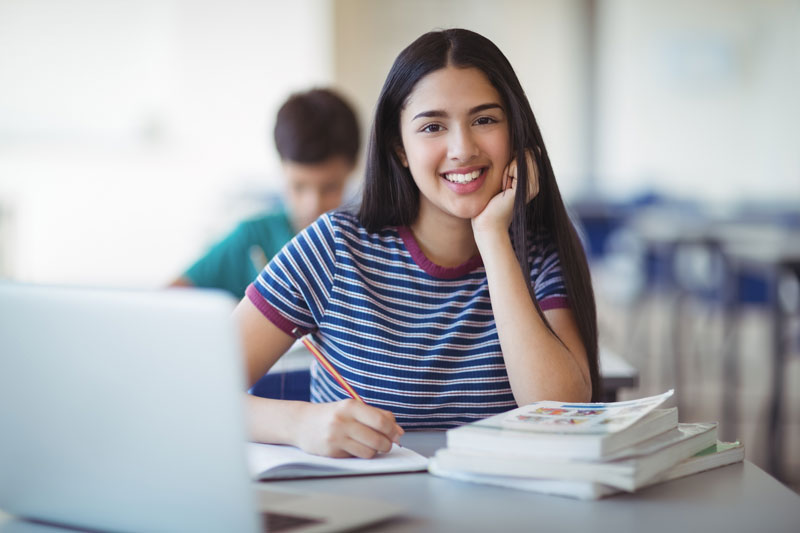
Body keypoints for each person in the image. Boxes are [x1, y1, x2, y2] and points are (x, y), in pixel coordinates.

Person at [235, 29, 600, 459]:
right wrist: (299, 424)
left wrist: (491, 236)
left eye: (485, 120)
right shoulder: (333, 247)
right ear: (399, 147)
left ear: (516, 132)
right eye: (432, 126)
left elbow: (559, 413)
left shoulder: (537, 249)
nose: (462, 149)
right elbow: (191, 389)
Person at [170, 88, 360, 299]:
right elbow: (170, 298)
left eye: (330, 187)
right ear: (281, 167)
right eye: (298, 186)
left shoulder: (365, 244)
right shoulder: (253, 236)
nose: (312, 205)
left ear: (352, 169)